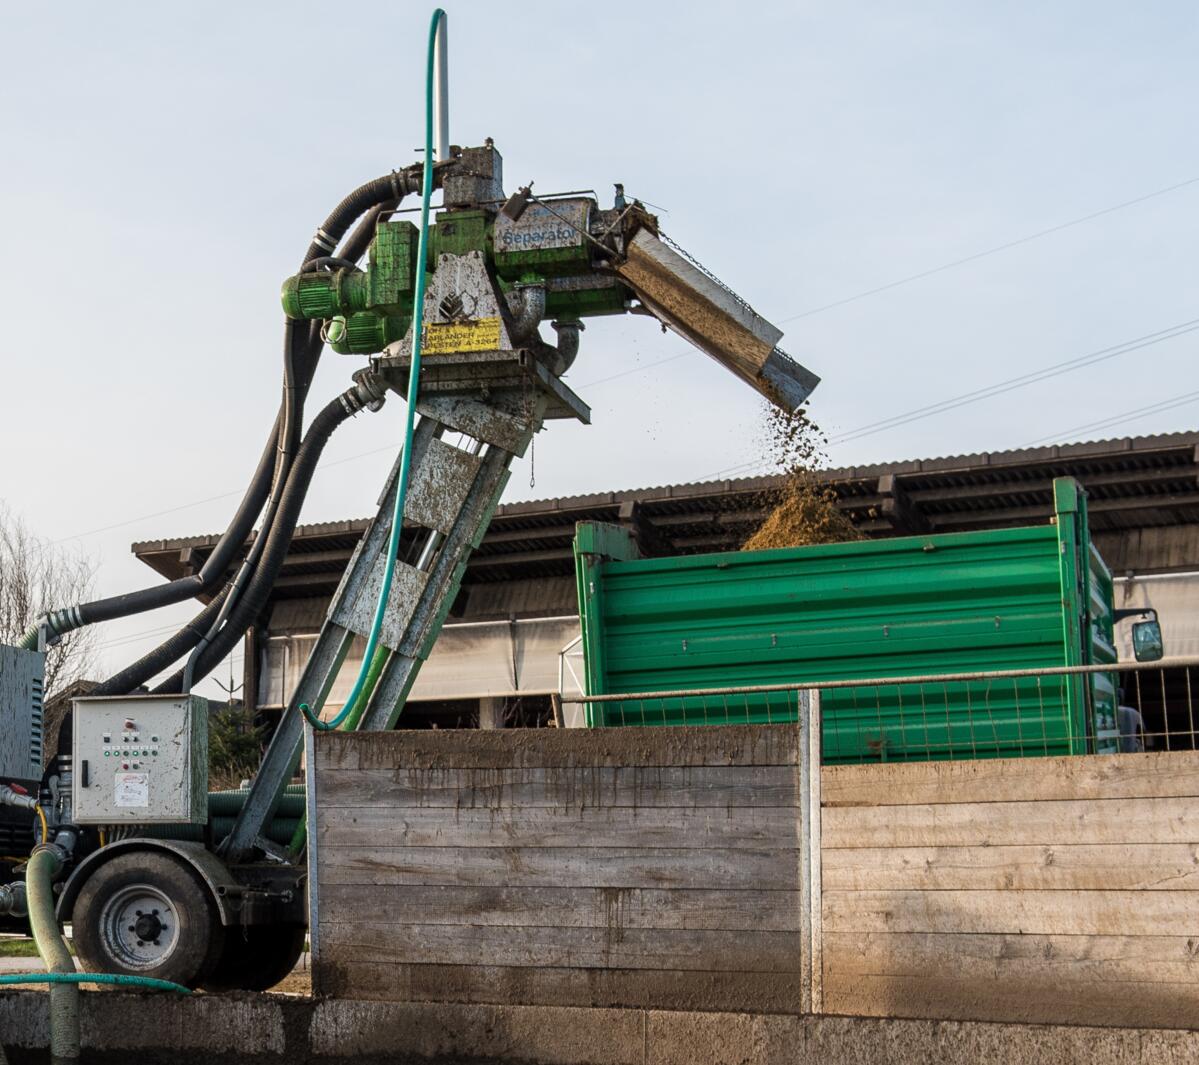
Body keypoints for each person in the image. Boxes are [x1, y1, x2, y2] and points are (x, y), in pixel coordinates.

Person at [1117, 687, 1144, 753]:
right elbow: (1143, 731)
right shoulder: (1133, 711)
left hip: (1118, 751)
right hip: (1132, 751)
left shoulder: (1113, 712)